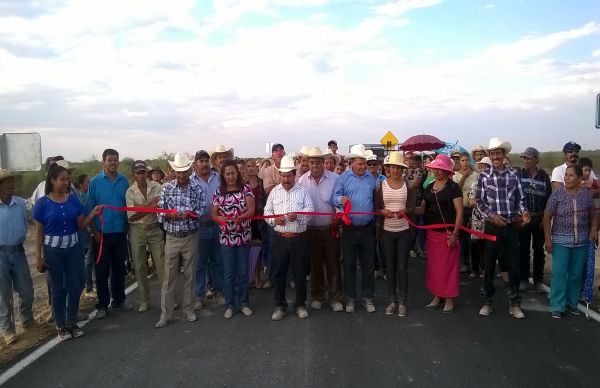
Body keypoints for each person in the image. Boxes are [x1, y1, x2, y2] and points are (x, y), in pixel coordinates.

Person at [33, 164, 101, 340]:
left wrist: (92, 214)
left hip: (73, 250)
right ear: (53, 181)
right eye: (62, 179)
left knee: (76, 284)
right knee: (58, 288)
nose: (66, 182)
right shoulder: (42, 204)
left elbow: (80, 224)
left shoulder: (72, 200)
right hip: (53, 252)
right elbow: (39, 231)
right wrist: (38, 256)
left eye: (67, 179)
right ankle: (61, 325)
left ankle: (71, 322)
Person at [475, 138, 530, 319]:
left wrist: (524, 213)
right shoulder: (483, 176)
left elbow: (520, 200)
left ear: (503, 154)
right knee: (489, 265)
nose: (496, 156)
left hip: (511, 225)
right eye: (492, 153)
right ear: (489, 156)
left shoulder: (514, 175)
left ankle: (514, 304)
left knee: (513, 265)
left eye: (498, 153)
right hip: (492, 226)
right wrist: (493, 216)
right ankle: (487, 302)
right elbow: (480, 202)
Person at [155, 153, 205, 328]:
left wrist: (190, 215)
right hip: (172, 238)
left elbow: (200, 211)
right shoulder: (167, 188)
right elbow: (159, 213)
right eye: (179, 172)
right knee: (169, 278)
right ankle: (166, 314)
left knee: (190, 276)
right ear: (174, 171)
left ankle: (189, 310)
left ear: (190, 170)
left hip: (190, 236)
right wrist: (171, 216)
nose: (182, 175)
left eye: (184, 171)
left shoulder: (197, 189)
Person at [544, 165, 598, 319]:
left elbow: (594, 215)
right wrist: (548, 239)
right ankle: (557, 305)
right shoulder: (557, 194)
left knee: (575, 274)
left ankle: (571, 303)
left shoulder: (586, 196)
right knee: (559, 274)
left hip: (581, 241)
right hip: (560, 241)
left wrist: (594, 230)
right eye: (566, 175)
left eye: (571, 175)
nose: (567, 178)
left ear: (580, 178)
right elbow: (547, 216)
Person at [264, 155, 314, 321]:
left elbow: (310, 211)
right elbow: (266, 213)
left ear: (294, 174)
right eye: (283, 175)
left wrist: (298, 216)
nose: (286, 179)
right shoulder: (274, 192)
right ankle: (280, 305)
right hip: (279, 238)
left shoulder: (303, 191)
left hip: (299, 238)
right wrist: (274, 220)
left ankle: (300, 304)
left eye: (289, 175)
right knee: (279, 273)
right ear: (280, 175)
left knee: (300, 273)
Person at [86, 149, 132, 319]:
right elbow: (90, 209)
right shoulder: (95, 182)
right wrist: (95, 231)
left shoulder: (123, 181)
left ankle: (119, 300)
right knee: (101, 270)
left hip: (120, 232)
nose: (113, 163)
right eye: (109, 160)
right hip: (102, 234)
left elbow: (128, 205)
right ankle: (102, 305)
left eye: (115, 160)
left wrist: (127, 226)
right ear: (103, 162)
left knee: (120, 268)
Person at [332, 144, 378, 313]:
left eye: (364, 163)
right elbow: (334, 196)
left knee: (368, 264)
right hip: (350, 229)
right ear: (352, 162)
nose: (363, 166)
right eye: (360, 163)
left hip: (367, 228)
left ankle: (368, 298)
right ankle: (350, 299)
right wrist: (340, 199)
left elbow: (374, 198)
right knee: (349, 264)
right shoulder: (343, 178)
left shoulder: (370, 178)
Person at [415, 154, 463, 314]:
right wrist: (406, 211)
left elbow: (460, 211)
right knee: (435, 267)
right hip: (432, 233)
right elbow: (422, 209)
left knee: (449, 267)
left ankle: (449, 298)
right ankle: (437, 296)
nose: (437, 171)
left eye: (440, 168)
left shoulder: (453, 187)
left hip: (448, 234)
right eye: (435, 168)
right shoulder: (429, 187)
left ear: (447, 170)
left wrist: (455, 233)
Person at [298, 147, 343, 312]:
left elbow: (339, 201)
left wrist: (339, 215)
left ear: (324, 162)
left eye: (318, 161)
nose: (315, 165)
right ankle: (317, 296)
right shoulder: (302, 181)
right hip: (310, 229)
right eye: (312, 162)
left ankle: (335, 297)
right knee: (315, 264)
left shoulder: (335, 178)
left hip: (330, 228)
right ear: (307, 163)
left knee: (333, 263)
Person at [211, 160, 255, 319]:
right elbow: (214, 214)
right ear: (223, 175)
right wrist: (220, 220)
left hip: (243, 236)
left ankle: (243, 303)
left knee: (243, 272)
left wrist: (240, 217)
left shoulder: (246, 189)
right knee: (229, 273)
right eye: (227, 174)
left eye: (233, 173)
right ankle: (230, 304)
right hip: (226, 238)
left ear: (238, 173)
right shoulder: (218, 191)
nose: (230, 176)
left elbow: (251, 210)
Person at [375, 152, 416, 317]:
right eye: (393, 167)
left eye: (399, 168)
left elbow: (413, 208)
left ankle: (403, 302)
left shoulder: (409, 186)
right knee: (390, 268)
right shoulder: (381, 186)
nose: (396, 170)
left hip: (404, 232)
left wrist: (405, 211)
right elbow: (376, 209)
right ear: (388, 169)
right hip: (387, 233)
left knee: (402, 267)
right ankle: (392, 301)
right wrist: (382, 211)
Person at [0, 170, 35, 345]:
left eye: (12, 181)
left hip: (19, 253)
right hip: (0, 255)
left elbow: (31, 220)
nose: (11, 184)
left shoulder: (20, 203)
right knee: (4, 295)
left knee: (27, 291)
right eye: (7, 182)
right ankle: (7, 329)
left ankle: (27, 319)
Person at [126, 160, 165, 313]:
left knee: (162, 265)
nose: (141, 176)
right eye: (137, 173)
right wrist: (151, 207)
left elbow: (163, 207)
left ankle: (168, 298)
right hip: (138, 230)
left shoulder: (157, 187)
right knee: (140, 266)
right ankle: (144, 300)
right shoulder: (130, 192)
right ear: (133, 175)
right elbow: (131, 217)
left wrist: (143, 209)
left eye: (143, 172)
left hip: (155, 229)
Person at [191, 150, 225, 309]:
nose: (204, 164)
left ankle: (218, 292)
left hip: (217, 226)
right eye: (201, 161)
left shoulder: (219, 178)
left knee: (218, 261)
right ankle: (199, 295)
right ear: (195, 164)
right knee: (200, 263)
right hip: (199, 227)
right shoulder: (190, 181)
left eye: (206, 161)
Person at [516, 147, 552, 292]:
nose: (526, 161)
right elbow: (515, 195)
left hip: (539, 218)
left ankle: (538, 280)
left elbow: (549, 198)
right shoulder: (518, 174)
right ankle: (524, 278)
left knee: (538, 250)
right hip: (523, 218)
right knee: (523, 249)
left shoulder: (544, 176)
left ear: (536, 159)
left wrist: (545, 219)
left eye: (529, 158)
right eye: (524, 158)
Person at [467, 157, 492, 278]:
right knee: (476, 245)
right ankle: (475, 268)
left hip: (490, 219)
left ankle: (485, 269)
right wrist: (488, 202)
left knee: (487, 246)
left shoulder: (495, 184)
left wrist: (481, 201)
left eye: (485, 167)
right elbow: (471, 203)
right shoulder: (475, 184)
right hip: (477, 219)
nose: (482, 169)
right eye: (481, 167)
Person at [453, 152, 478, 273]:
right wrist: (464, 176)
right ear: (459, 162)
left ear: (470, 161)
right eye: (462, 161)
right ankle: (465, 262)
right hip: (461, 209)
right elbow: (457, 189)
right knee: (463, 237)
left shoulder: (476, 175)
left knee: (474, 237)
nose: (465, 163)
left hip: (473, 210)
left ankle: (475, 264)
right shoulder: (456, 175)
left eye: (466, 160)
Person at [245, 158, 268, 287]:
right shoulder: (242, 184)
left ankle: (258, 277)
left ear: (257, 168)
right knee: (246, 250)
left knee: (258, 250)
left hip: (259, 221)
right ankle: (248, 277)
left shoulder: (262, 183)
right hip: (245, 222)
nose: (251, 168)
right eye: (248, 166)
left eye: (253, 165)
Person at [75, 174, 94, 295]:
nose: (89, 184)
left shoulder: (82, 196)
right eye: (87, 182)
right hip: (83, 233)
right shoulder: (82, 198)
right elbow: (86, 217)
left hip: (85, 233)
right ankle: (88, 286)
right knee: (88, 259)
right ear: (81, 184)